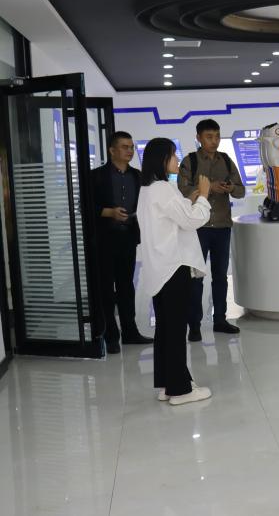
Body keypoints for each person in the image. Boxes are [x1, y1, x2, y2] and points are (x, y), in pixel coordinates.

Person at [137, 138, 213, 406]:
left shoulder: (148, 190)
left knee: (166, 329)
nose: (177, 160)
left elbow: (174, 217)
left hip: (160, 268)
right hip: (173, 267)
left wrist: (189, 200)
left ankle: (169, 384)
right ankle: (180, 390)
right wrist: (203, 196)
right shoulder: (162, 189)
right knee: (176, 329)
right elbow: (193, 220)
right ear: (161, 159)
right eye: (172, 155)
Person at [178, 119, 245, 341]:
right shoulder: (190, 161)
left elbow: (241, 190)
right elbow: (183, 190)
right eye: (209, 137)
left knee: (220, 276)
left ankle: (220, 320)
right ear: (198, 138)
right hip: (198, 227)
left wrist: (230, 187)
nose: (214, 141)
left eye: (217, 136)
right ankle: (194, 325)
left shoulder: (225, 160)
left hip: (222, 226)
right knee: (195, 278)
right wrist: (207, 189)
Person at [91, 131, 152, 354]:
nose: (130, 151)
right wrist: (109, 212)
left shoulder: (138, 176)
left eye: (131, 147)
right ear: (112, 150)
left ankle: (130, 332)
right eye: (125, 147)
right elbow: (84, 207)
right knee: (106, 288)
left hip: (128, 238)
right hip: (104, 240)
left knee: (126, 286)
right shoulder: (96, 176)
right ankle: (110, 335)